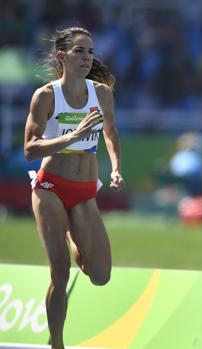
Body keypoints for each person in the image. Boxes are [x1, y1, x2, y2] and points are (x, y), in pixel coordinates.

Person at [23, 27, 124, 349]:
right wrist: (70, 138)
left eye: (90, 51)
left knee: (100, 275)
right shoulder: (46, 96)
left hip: (84, 191)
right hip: (50, 187)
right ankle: (57, 343)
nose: (87, 58)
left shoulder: (102, 93)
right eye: (79, 51)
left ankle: (70, 230)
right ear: (61, 57)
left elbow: (110, 132)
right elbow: (29, 149)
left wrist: (116, 167)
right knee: (61, 273)